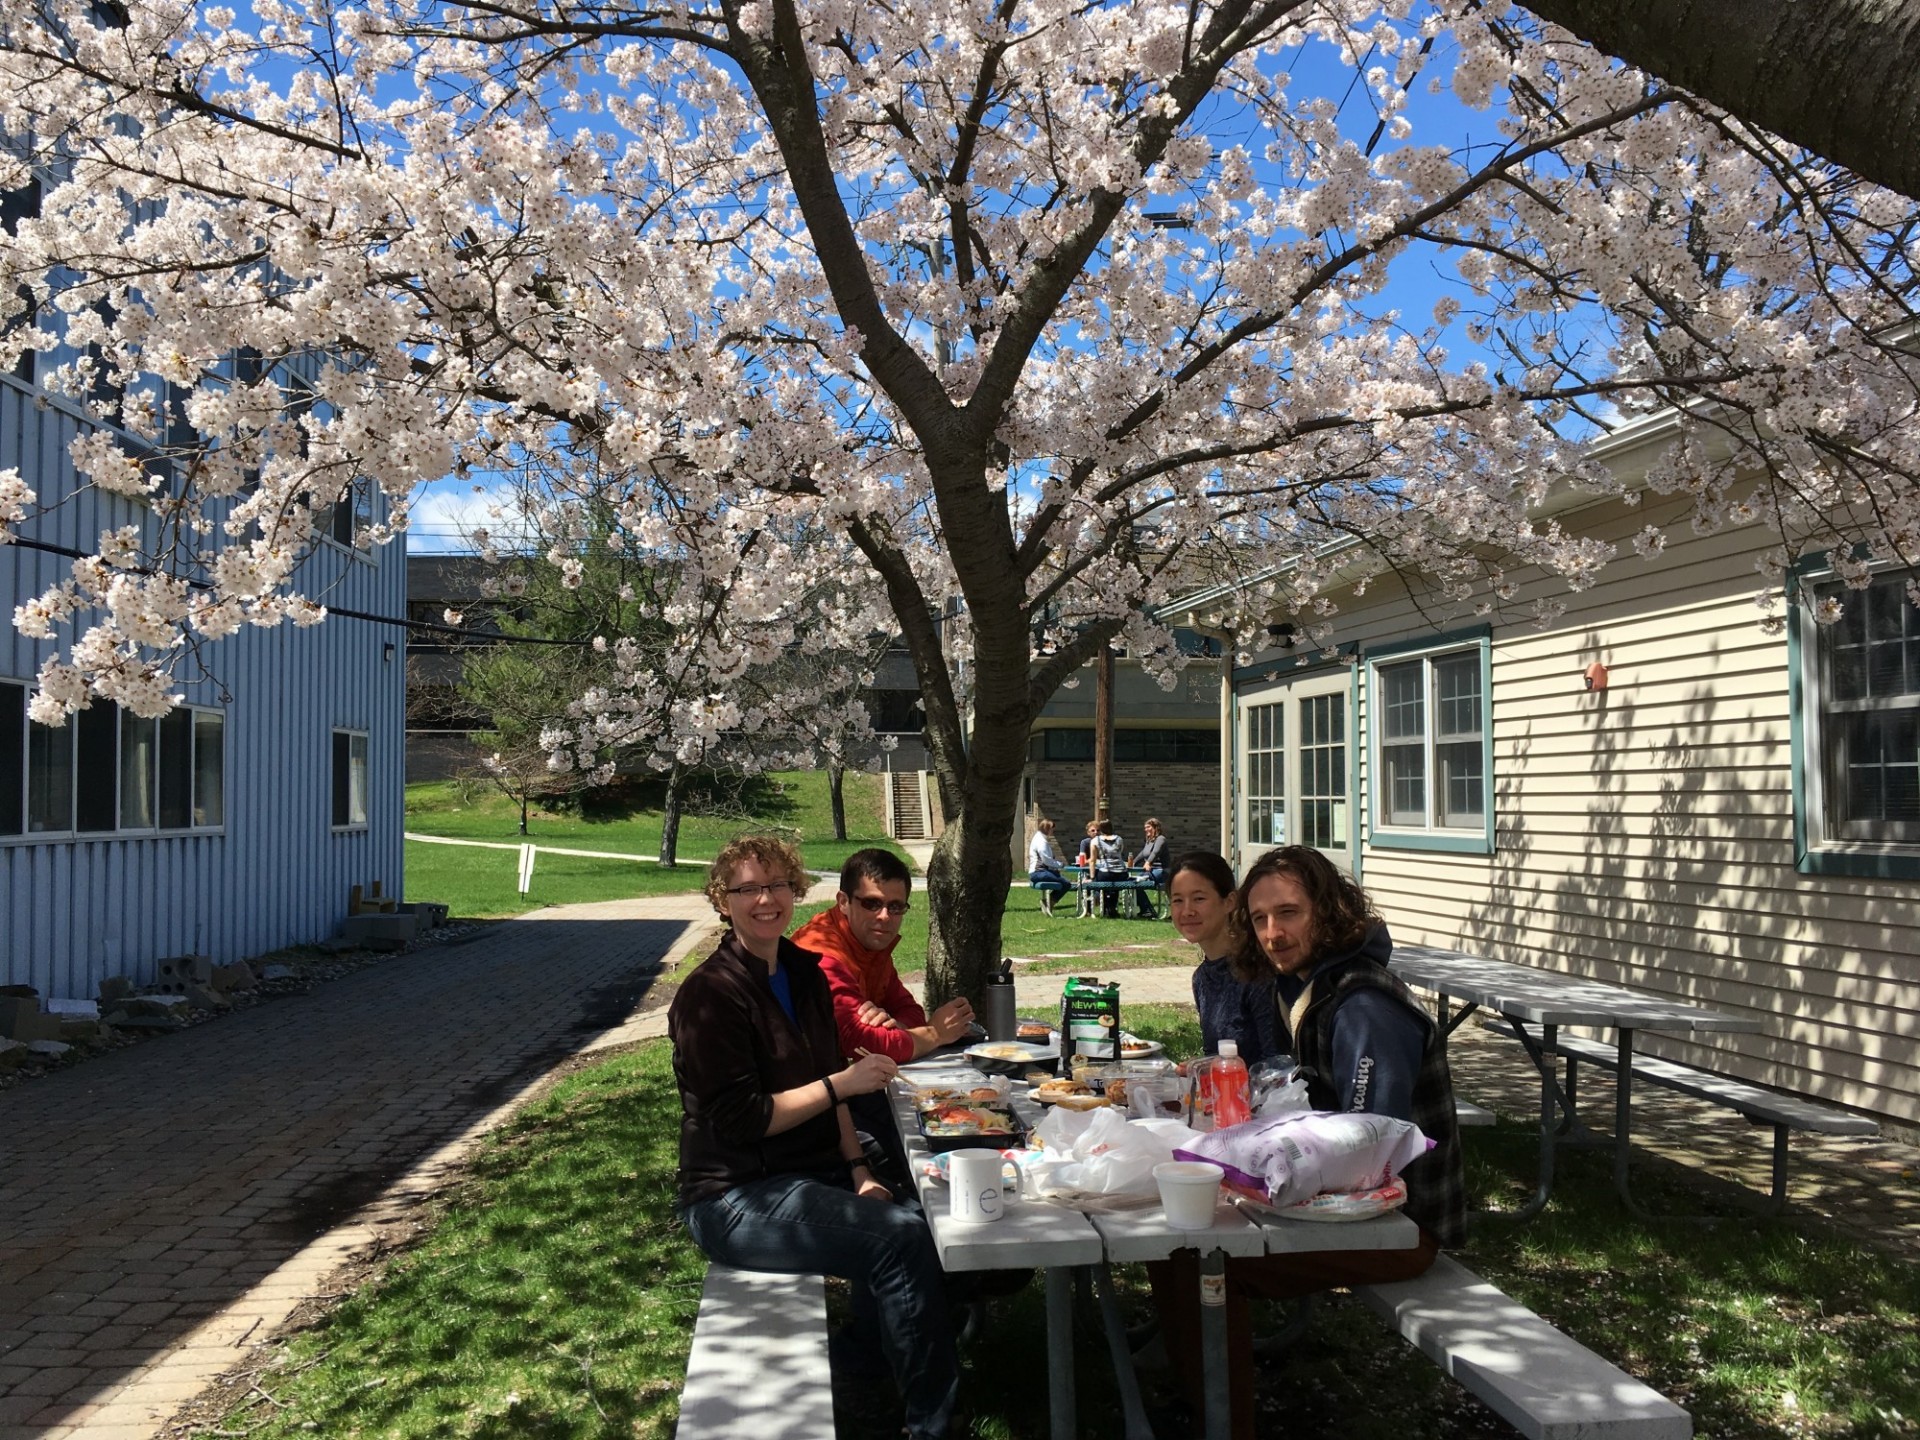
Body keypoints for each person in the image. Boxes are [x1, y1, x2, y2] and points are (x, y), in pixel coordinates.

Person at [1154, 845, 1464, 1440]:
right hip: (1348, 1203)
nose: (1273, 932)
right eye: (1262, 918)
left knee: (1201, 1259)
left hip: (1403, 1225)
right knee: (1174, 1242)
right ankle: (1204, 1403)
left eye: (1290, 913)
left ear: (1330, 909)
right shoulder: (1307, 985)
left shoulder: (1363, 1005)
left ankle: (1225, 1424)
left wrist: (1253, 1174)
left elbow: (1365, 1145)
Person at [670, 835, 959, 1440]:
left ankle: (872, 1360)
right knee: (900, 1240)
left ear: (796, 892)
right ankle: (932, 1424)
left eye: (776, 885)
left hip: (809, 1172)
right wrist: (840, 1084)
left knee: (926, 1210)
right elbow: (748, 1118)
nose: (765, 899)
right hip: (732, 1196)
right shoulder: (710, 994)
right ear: (723, 902)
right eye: (747, 889)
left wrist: (859, 1170)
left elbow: (832, 1087)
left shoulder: (802, 971)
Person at [792, 848, 973, 1178]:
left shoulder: (868, 944)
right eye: (871, 903)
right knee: (928, 1141)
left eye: (895, 906)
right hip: (809, 1112)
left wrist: (897, 1028)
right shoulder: (822, 954)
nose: (884, 916)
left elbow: (907, 1010)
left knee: (952, 1116)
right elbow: (860, 1040)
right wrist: (933, 1034)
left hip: (848, 1090)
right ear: (843, 901)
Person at [1167, 850, 1281, 1064]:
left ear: (1230, 901)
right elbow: (1218, 1057)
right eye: (1178, 900)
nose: (1187, 911)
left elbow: (1276, 1066)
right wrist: (1199, 1067)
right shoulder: (1201, 978)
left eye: (1199, 898)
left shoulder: (1257, 972)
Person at [1128, 817, 1170, 919]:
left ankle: (1148, 910)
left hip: (1160, 871)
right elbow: (1142, 854)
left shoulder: (1161, 839)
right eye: (1145, 828)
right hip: (1150, 871)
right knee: (1131, 881)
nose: (1146, 829)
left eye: (1148, 827)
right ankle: (1146, 909)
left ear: (1156, 827)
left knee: (1137, 883)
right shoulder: (1149, 841)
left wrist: (1148, 862)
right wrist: (1132, 863)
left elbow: (1155, 852)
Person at [1027, 819, 1070, 916]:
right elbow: (1047, 860)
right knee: (1066, 883)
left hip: (1038, 872)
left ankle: (1049, 902)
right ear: (1047, 829)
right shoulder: (1041, 842)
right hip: (1039, 873)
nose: (1053, 832)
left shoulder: (1038, 838)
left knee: (1061, 879)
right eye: (1052, 829)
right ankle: (1049, 902)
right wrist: (1060, 865)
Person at [1088, 817, 1129, 918]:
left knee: (1098, 880)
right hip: (1121, 873)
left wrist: (1092, 877)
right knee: (1114, 887)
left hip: (1106, 871)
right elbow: (1120, 852)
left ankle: (1103, 905)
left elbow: (1092, 860)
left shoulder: (1095, 841)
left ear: (1100, 829)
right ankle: (1112, 908)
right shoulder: (1119, 839)